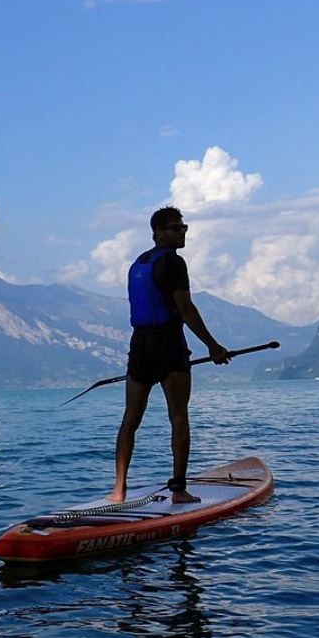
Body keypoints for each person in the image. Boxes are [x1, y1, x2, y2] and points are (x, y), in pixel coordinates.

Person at [109, 206, 231, 504]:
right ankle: (178, 491)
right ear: (158, 233)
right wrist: (213, 347)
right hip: (167, 342)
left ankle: (118, 491)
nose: (183, 232)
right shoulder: (174, 263)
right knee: (178, 416)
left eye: (184, 226)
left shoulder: (139, 263)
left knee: (130, 418)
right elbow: (186, 309)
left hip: (140, 344)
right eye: (176, 228)